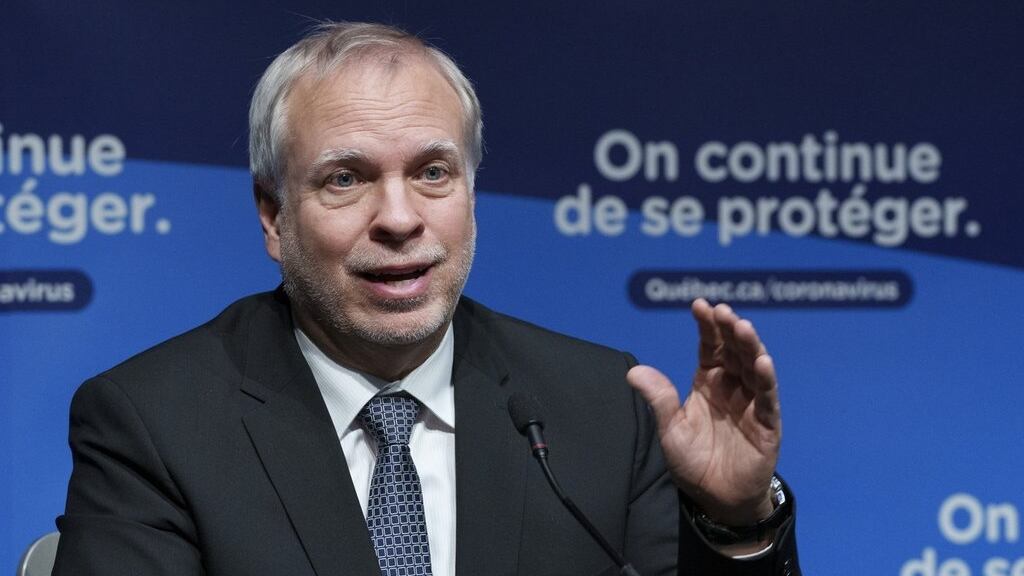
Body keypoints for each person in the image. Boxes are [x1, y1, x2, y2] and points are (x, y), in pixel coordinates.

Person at [53, 22, 801, 576]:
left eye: (433, 173)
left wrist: (735, 520)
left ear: (472, 197)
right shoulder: (154, 423)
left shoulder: (602, 408)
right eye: (345, 179)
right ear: (275, 218)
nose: (400, 218)